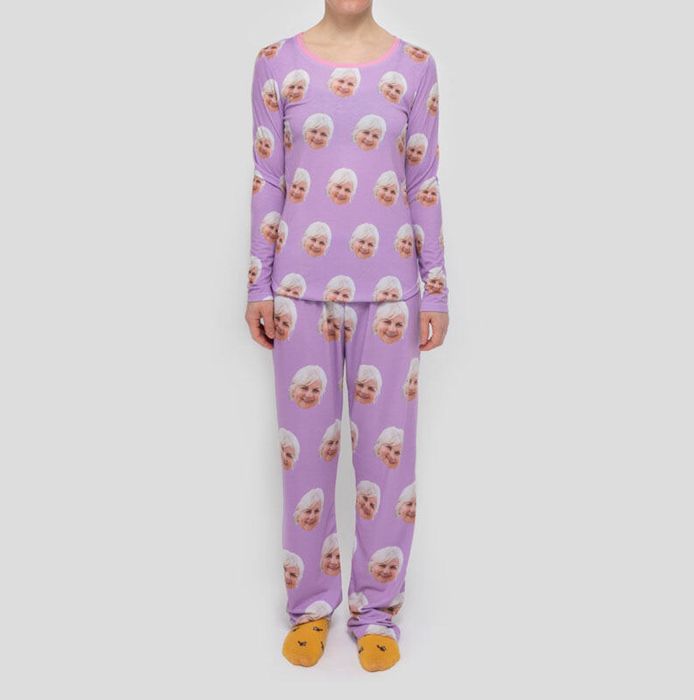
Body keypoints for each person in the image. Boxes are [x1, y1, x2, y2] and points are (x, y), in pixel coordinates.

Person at [244, 0, 450, 672]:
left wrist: (436, 289)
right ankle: (310, 607)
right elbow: (268, 178)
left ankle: (376, 611)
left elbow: (423, 181)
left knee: (388, 464)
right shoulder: (275, 64)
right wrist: (258, 284)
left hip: (391, 292)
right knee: (304, 458)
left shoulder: (416, 68)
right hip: (298, 294)